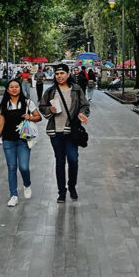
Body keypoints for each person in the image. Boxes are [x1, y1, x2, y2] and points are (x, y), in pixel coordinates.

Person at [38, 62, 90, 202]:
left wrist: (82, 114)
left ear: (68, 74)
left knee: (73, 159)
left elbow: (84, 105)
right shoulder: (50, 91)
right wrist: (50, 110)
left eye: (62, 73)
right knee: (60, 161)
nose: (59, 76)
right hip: (55, 131)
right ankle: (62, 192)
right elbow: (42, 107)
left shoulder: (76, 89)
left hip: (71, 132)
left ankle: (72, 186)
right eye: (57, 74)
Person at [0, 78, 42, 207]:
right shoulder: (3, 105)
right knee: (11, 167)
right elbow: (0, 125)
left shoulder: (27, 102)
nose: (14, 89)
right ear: (7, 89)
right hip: (8, 140)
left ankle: (27, 183)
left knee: (24, 167)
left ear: (20, 88)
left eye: (16, 86)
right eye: (11, 87)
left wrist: (30, 117)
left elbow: (38, 117)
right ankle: (13, 195)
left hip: (23, 140)